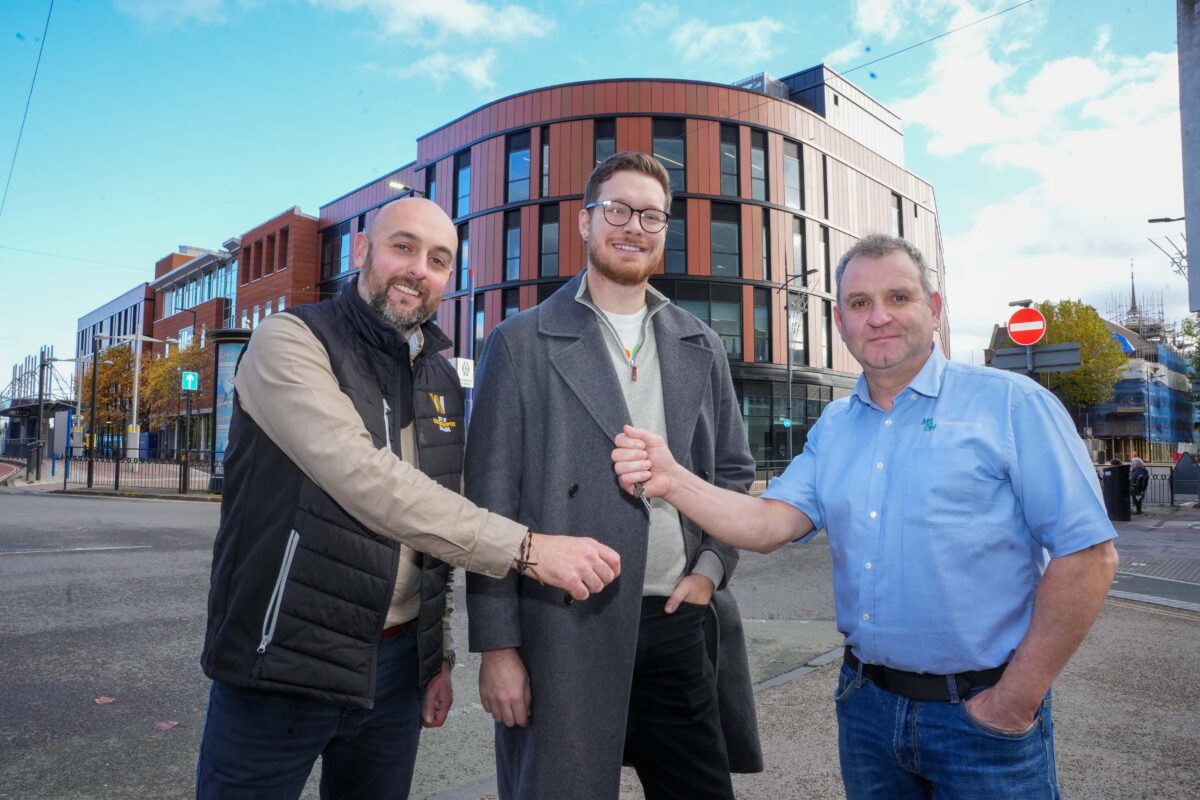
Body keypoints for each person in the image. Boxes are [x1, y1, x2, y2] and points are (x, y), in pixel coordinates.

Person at [613, 233, 1120, 799]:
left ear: (934, 307)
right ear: (840, 321)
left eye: (898, 297)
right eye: (859, 303)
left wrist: (1016, 698)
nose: (878, 317)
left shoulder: (1012, 405)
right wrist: (672, 479)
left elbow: (1089, 555)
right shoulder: (835, 426)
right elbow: (765, 525)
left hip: (983, 720)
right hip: (868, 713)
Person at [196, 197, 621, 800]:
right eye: (403, 247)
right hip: (283, 659)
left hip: (394, 671)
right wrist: (526, 549)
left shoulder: (439, 377)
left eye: (439, 260)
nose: (419, 269)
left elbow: (438, 516)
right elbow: (366, 480)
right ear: (363, 250)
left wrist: (434, 654)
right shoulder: (290, 341)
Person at [465, 152, 762, 799]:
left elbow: (733, 474)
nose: (633, 227)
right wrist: (497, 649)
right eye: (618, 210)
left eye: (651, 215)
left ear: (665, 230)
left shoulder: (699, 343)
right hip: (560, 628)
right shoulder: (519, 343)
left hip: (676, 619)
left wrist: (711, 571)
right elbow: (488, 504)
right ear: (584, 221)